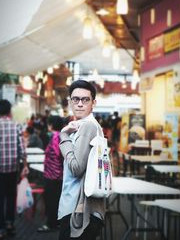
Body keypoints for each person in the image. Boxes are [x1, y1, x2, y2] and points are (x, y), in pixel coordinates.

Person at [58, 80, 105, 240]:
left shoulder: (88, 126)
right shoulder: (88, 125)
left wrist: (63, 137)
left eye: (85, 100)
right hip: (86, 208)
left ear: (93, 103)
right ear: (70, 102)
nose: (79, 104)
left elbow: (76, 168)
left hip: (78, 210)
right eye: (75, 99)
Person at [0, 99, 29, 239]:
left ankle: (0, 229)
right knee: (11, 196)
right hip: (12, 168)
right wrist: (24, 166)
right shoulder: (16, 126)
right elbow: (21, 149)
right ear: (9, 111)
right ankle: (9, 224)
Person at [38, 115, 64, 232]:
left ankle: (50, 224)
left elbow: (58, 153)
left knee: (51, 200)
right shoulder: (61, 136)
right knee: (57, 199)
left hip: (52, 174)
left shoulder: (54, 137)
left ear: (51, 125)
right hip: (58, 174)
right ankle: (57, 222)